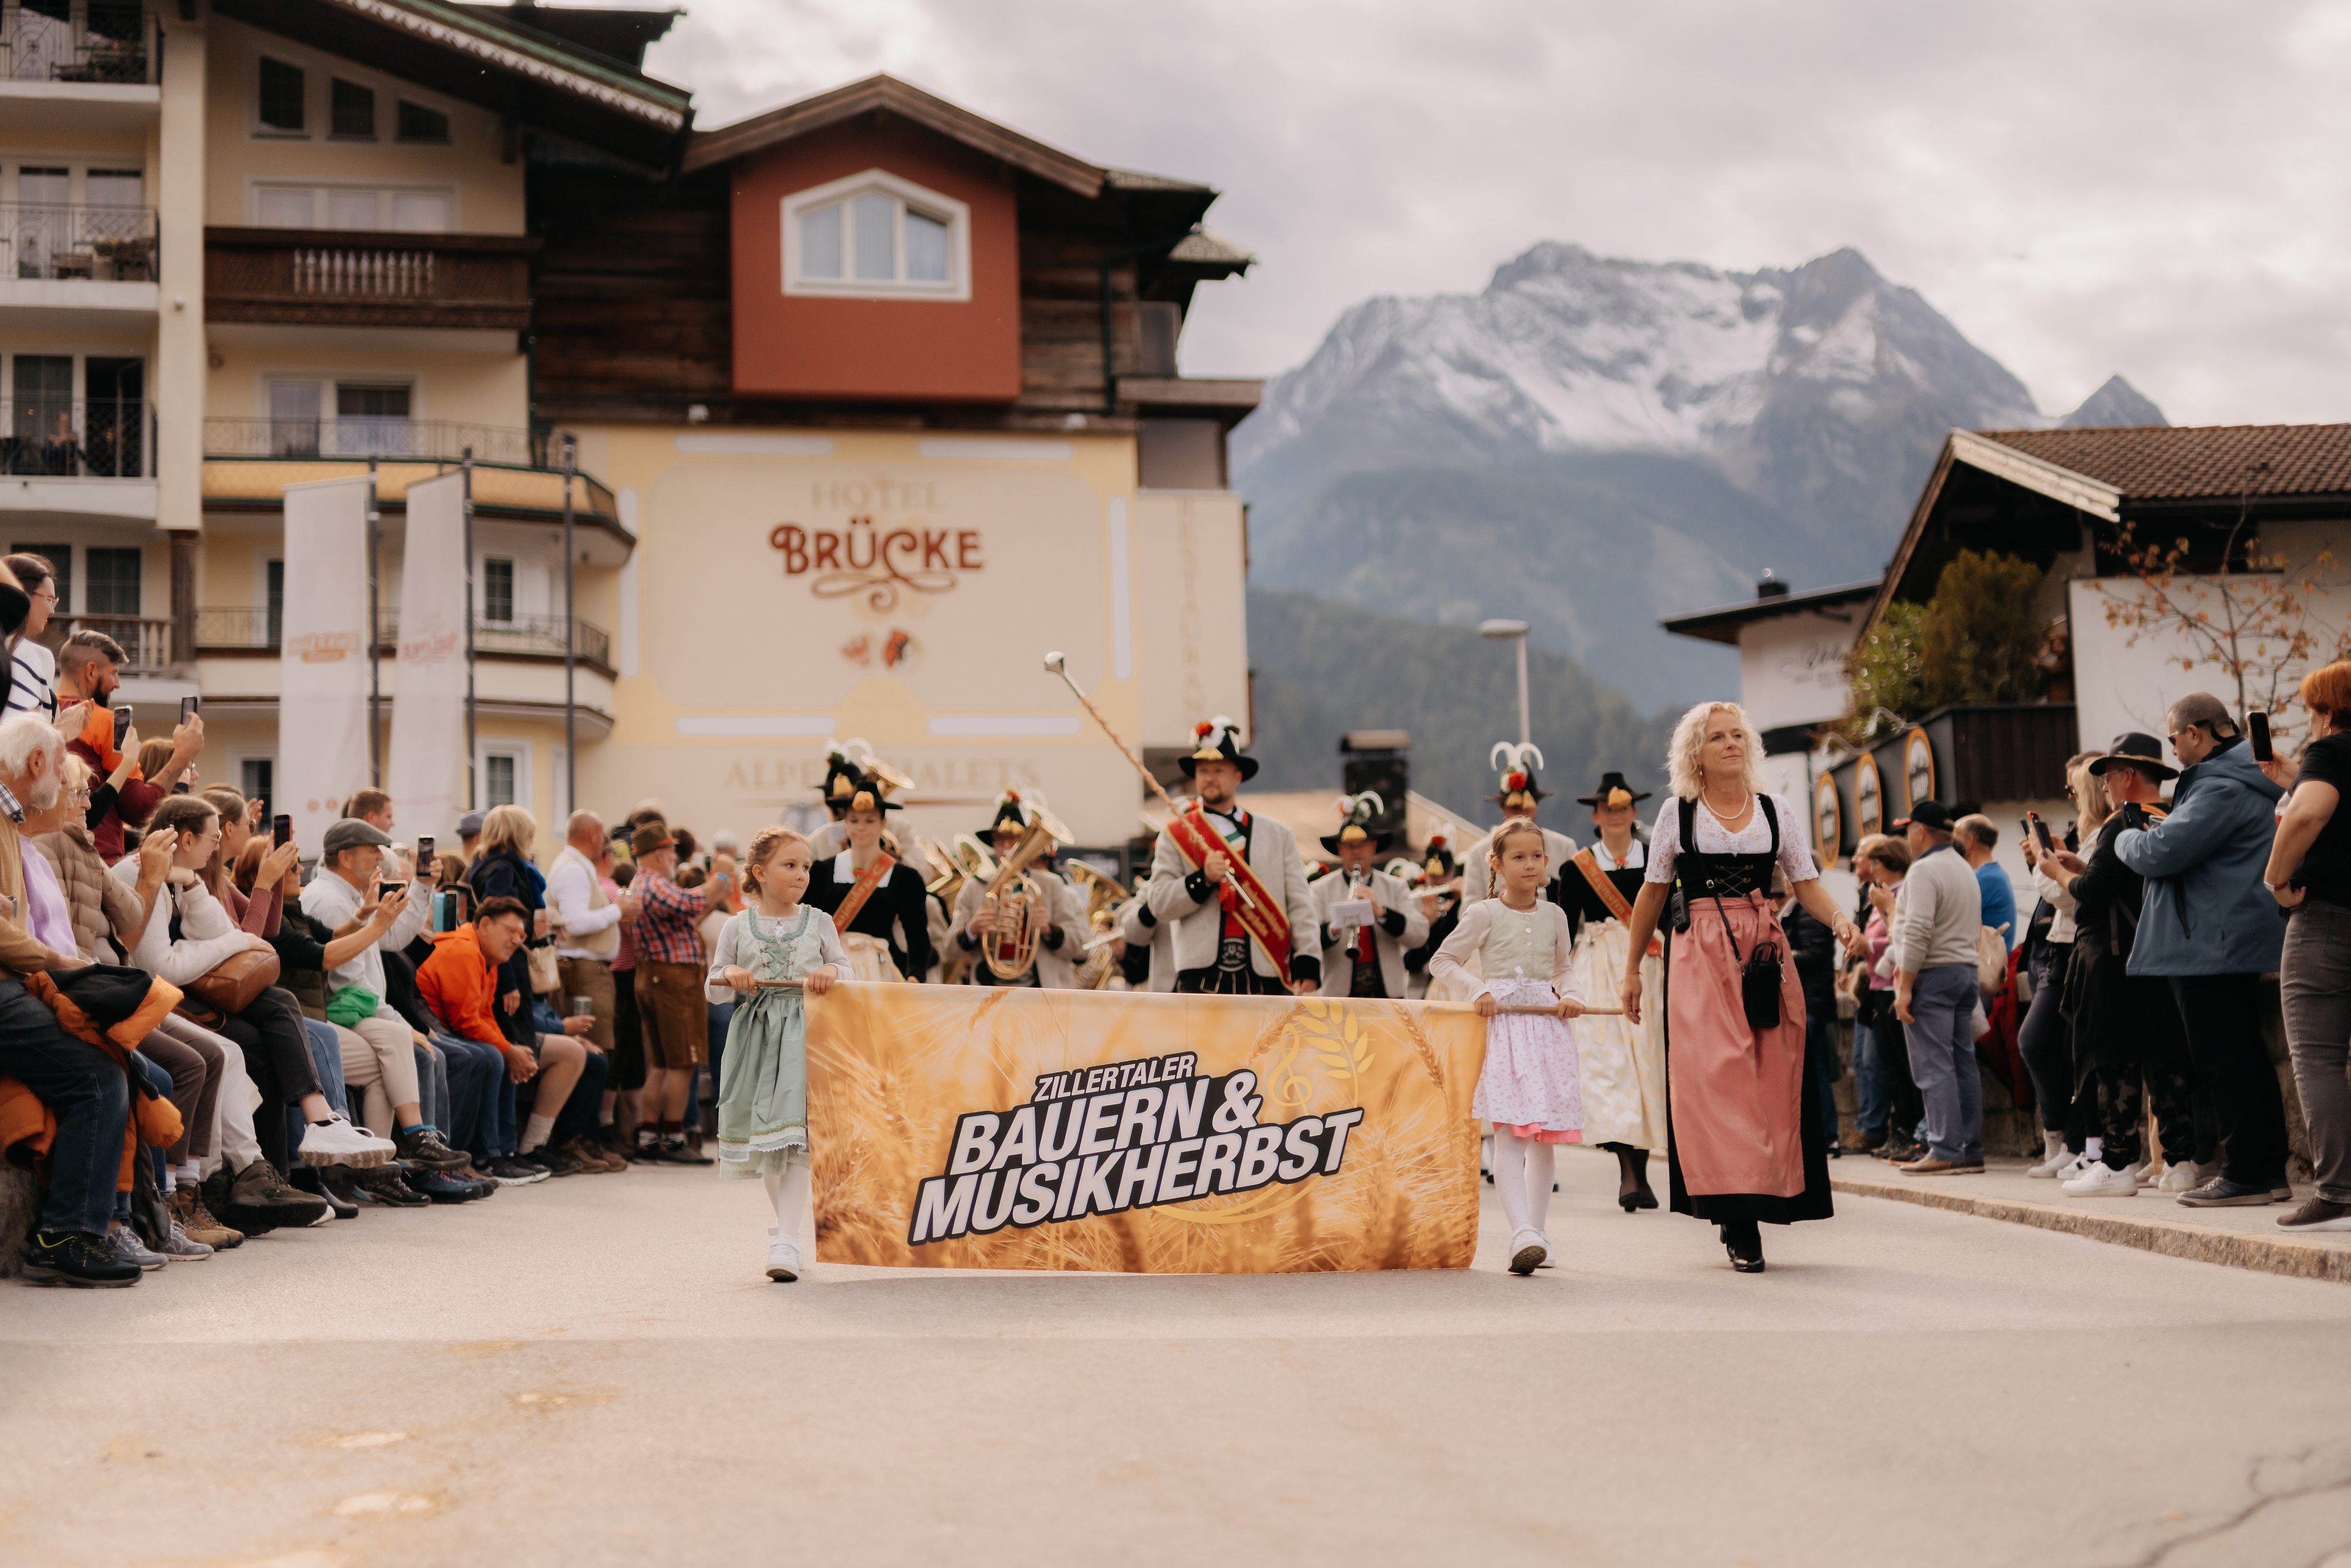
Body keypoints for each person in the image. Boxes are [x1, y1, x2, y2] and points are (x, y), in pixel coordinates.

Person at [1618, 701, 1866, 1274]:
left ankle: (1761, 1193)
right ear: (1695, 754)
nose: (1731, 743)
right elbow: (1652, 895)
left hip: (1761, 948)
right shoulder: (1678, 815)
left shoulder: (1775, 810)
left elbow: (1805, 883)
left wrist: (1841, 922)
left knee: (1770, 1075)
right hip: (1699, 951)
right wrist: (1632, 968)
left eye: (1737, 734)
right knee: (1719, 1078)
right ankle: (1737, 1216)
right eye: (1716, 737)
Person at [115, 795, 394, 1183]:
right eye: (213, 838)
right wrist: (242, 924)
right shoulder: (145, 874)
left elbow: (249, 933)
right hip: (151, 996)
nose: (218, 847)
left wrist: (199, 885)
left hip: (186, 992)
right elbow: (169, 964)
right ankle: (281, 1163)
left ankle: (289, 1162)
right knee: (272, 1021)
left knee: (274, 1019)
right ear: (188, 840)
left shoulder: (185, 875)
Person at [2113, 695, 2292, 1208]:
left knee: (2224, 1061)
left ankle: (2246, 1174)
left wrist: (2127, 835)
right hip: (2221, 938)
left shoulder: (2219, 784)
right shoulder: (2240, 777)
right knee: (2245, 1058)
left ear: (2196, 733)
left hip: (2210, 944)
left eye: (2173, 738)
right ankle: (2267, 1171)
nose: (2171, 749)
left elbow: (2162, 852)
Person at [2045, 736, 2201, 1198]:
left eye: (2109, 776)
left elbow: (2092, 894)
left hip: (2113, 960)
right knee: (2165, 1059)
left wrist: (2058, 873)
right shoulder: (2172, 819)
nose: (2107, 786)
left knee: (2114, 1060)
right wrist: (2082, 867)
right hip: (2163, 956)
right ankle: (2181, 1161)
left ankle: (2116, 1164)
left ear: (2128, 776)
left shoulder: (2120, 826)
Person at [1430, 817, 1584, 1274]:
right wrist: (1477, 990)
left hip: (1547, 1031)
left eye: (1536, 856)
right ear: (1495, 864)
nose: (1530, 865)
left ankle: (1539, 1232)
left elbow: (1563, 968)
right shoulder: (1483, 913)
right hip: (1503, 1031)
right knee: (1509, 1133)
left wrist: (1571, 994)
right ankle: (1520, 1232)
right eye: (1518, 857)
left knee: (1543, 1139)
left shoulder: (1555, 915)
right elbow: (1444, 960)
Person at [708, 826, 846, 1282]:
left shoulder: (819, 921)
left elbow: (845, 970)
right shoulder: (736, 925)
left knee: (797, 1139)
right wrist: (730, 972)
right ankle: (786, 1230)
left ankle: (785, 1239)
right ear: (760, 873)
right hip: (756, 1040)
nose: (802, 874)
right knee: (769, 1138)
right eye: (790, 865)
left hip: (806, 1036)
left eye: (806, 866)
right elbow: (711, 989)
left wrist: (829, 969)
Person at [2260, 662, 2351, 1232]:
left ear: (2325, 709)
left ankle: (2338, 1189)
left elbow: (2311, 813)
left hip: (2326, 921)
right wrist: (2293, 775)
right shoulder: (2326, 762)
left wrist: (2275, 880)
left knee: (2317, 1057)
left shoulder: (2332, 753)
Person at [1553, 772, 1667, 1209]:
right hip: (1600, 967)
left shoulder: (1659, 859)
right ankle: (1630, 1174)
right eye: (1608, 810)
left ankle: (1638, 1172)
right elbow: (1564, 927)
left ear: (1634, 812)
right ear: (1596, 816)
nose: (1616, 816)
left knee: (1648, 1064)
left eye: (1623, 808)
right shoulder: (1577, 867)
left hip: (1651, 965)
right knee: (1613, 1070)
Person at [1144, 717, 1320, 996]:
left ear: (1238, 776)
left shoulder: (1279, 835)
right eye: (1203, 770)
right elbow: (1159, 904)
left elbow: (1300, 905)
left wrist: (1308, 962)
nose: (1210, 777)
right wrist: (1202, 880)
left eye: (1219, 769)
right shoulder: (1174, 834)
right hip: (1201, 978)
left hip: (1267, 972)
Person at [1883, 800, 1985, 1175]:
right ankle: (1970, 1148)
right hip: (1965, 972)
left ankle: (1944, 1148)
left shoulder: (1924, 870)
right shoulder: (1964, 867)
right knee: (1962, 1063)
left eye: (1908, 830)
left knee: (1933, 1065)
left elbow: (1918, 929)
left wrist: (1905, 987)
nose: (1907, 838)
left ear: (1920, 831)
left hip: (1933, 975)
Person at [623, 820, 728, 1163]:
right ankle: (671, 1138)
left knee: (662, 1064)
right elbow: (691, 903)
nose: (673, 856)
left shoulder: (641, 884)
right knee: (683, 1063)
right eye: (669, 850)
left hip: (654, 977)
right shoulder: (654, 883)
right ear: (659, 852)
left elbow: (686, 914)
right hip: (674, 980)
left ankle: (650, 1136)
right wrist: (722, 877)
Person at [2016, 760, 2102, 1178]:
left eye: (2073, 789)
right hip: (2056, 947)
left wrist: (2042, 865)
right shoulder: (2082, 833)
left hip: (2077, 947)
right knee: (2053, 1043)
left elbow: (2066, 894)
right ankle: (2072, 1142)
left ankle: (2086, 1145)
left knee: (2061, 1044)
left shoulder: (2105, 833)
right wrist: (2044, 860)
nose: (2070, 797)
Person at [56, 629, 202, 862]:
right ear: (91, 671)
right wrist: (182, 756)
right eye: (114, 673)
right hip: (97, 859)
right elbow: (139, 809)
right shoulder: (105, 721)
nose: (117, 683)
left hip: (51, 853)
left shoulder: (40, 715)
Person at [805, 776, 931, 984]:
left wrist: (915, 975)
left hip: (878, 969)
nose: (861, 828)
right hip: (829, 969)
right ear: (845, 823)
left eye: (870, 821)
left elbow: (917, 933)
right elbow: (807, 925)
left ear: (884, 823)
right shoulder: (823, 871)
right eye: (854, 820)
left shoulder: (905, 877)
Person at [548, 809, 625, 1145]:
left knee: (596, 1051)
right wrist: (619, 911)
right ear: (594, 834)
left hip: (587, 970)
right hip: (584, 972)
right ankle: (577, 1138)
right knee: (594, 1051)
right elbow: (575, 923)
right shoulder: (574, 869)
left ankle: (582, 1137)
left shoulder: (576, 866)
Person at [952, 790, 1083, 987]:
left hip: (1039, 992)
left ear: (1025, 841)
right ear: (993, 845)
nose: (1006, 846)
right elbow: (948, 950)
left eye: (1013, 839)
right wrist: (971, 929)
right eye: (1000, 840)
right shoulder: (974, 886)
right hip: (988, 991)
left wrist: (1049, 930)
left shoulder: (1051, 885)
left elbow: (1079, 948)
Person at [1310, 790, 1428, 1001]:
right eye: (1349, 846)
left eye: (1363, 844)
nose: (1357, 851)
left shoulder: (1396, 886)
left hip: (1388, 996)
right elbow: (1306, 941)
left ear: (1374, 845)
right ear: (1339, 848)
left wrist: (1382, 913)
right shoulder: (1320, 889)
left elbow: (1419, 936)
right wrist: (1335, 926)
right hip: (1339, 999)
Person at [1847, 835, 1920, 1158]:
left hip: (1893, 987)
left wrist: (1869, 947)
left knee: (1904, 1068)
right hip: (1878, 988)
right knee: (1888, 1067)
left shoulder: (1901, 894)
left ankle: (1910, 1131)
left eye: (1875, 861)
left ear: (1889, 863)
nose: (1870, 867)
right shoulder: (1879, 895)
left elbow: (1900, 939)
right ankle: (1901, 1130)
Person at [1461, 743, 1577, 903]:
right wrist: (1498, 901)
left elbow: (1578, 913)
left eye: (1527, 806)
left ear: (1537, 805)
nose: (1522, 814)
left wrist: (1549, 885)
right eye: (1515, 807)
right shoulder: (1478, 854)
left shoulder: (1565, 849)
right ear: (1502, 807)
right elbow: (1467, 915)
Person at [2, 550, 59, 718]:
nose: (51, 610)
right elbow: (22, 737)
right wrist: (64, 731)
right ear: (25, 595)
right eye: (49, 600)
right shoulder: (32, 655)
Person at [1953, 813, 2018, 949]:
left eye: (1954, 839)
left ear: (1969, 841)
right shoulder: (1995, 874)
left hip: (1985, 966)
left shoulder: (1984, 879)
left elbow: (1949, 922)